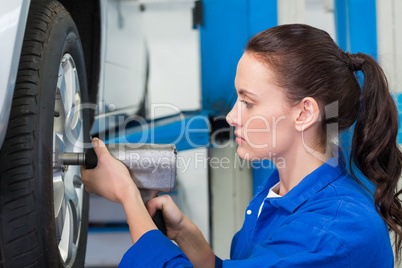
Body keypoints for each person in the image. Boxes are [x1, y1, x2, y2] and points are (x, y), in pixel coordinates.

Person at [81, 24, 402, 267]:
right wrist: (191, 241)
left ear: (305, 112)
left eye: (248, 102)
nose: (232, 116)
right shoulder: (279, 190)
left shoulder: (335, 232)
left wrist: (128, 197)